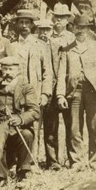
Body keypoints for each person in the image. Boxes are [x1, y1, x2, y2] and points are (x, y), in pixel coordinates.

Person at [56, 14, 96, 169]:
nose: (80, 30)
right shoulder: (66, 50)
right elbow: (61, 74)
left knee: (95, 128)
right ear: (72, 28)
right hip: (74, 92)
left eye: (84, 27)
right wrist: (60, 95)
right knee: (75, 128)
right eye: (77, 27)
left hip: (94, 92)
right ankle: (77, 161)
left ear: (88, 29)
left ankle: (95, 161)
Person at [0, 57, 39, 182]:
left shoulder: (26, 88)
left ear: (18, 71)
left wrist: (21, 119)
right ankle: (1, 175)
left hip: (18, 126)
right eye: (5, 69)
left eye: (11, 69)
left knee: (27, 134)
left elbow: (34, 111)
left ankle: (23, 173)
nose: (7, 72)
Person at [8, 9, 52, 161]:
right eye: (21, 22)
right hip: (16, 92)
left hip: (35, 91)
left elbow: (48, 72)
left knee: (35, 125)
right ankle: (16, 158)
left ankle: (33, 158)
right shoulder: (11, 46)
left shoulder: (41, 45)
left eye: (27, 22)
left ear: (32, 25)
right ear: (17, 24)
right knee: (17, 122)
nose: (24, 25)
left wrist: (45, 93)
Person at [43, 3, 76, 169]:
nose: (58, 21)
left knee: (71, 124)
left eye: (62, 18)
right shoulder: (47, 38)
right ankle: (53, 161)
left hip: (68, 88)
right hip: (50, 87)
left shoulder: (72, 39)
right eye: (55, 17)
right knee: (50, 126)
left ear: (67, 20)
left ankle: (73, 159)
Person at [35, 18, 64, 170]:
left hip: (52, 94)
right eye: (41, 29)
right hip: (35, 92)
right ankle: (31, 160)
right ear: (37, 30)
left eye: (47, 29)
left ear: (52, 30)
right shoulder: (33, 46)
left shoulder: (57, 47)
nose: (44, 33)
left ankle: (52, 161)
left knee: (51, 128)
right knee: (33, 127)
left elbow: (61, 70)